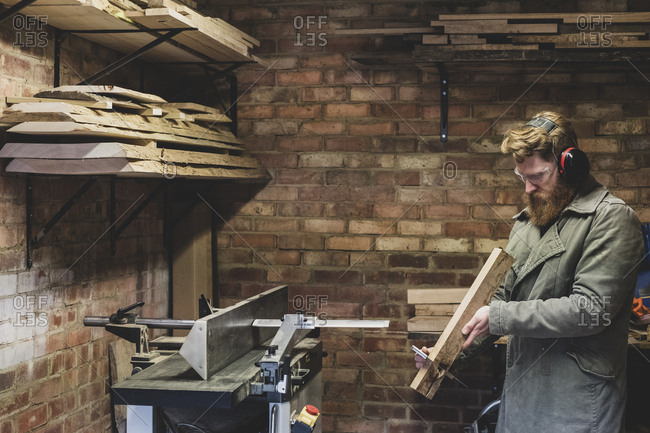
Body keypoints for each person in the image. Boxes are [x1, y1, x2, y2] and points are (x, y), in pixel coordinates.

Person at [415, 112, 644, 433]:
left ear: (570, 166)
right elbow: (500, 299)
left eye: (536, 176)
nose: (528, 188)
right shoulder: (527, 223)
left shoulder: (611, 220)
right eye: (521, 177)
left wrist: (498, 315)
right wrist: (447, 354)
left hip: (577, 402)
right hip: (521, 396)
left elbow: (591, 310)